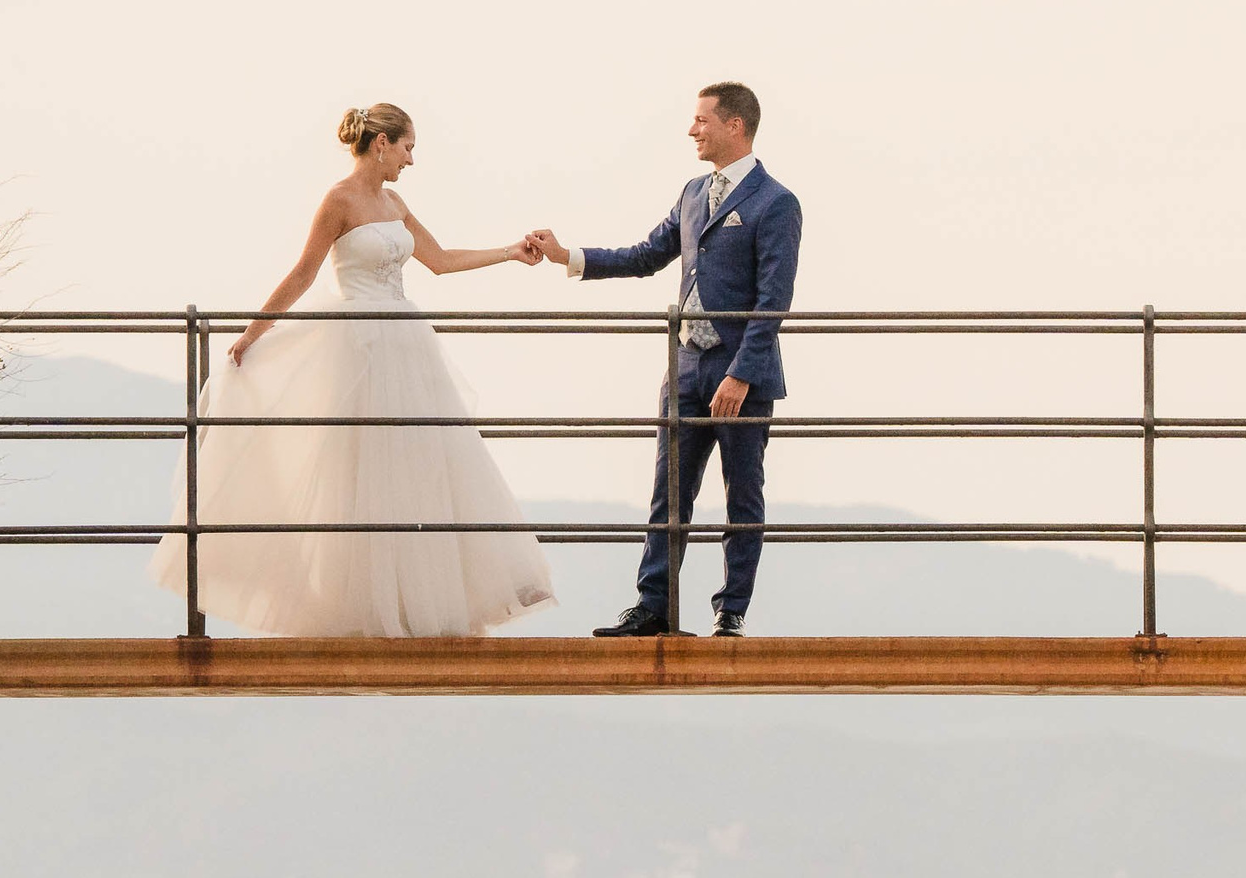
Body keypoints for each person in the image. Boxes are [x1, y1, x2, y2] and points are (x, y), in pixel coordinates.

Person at [149, 103, 555, 636]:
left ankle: (416, 604)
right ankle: (357, 608)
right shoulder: (338, 201)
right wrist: (254, 332)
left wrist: (510, 251)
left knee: (419, 467)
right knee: (358, 475)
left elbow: (440, 260)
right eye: (408, 147)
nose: (412, 160)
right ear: (381, 143)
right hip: (356, 349)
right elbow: (302, 273)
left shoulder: (395, 201)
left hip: (406, 348)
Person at [528, 82, 801, 637]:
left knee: (741, 494)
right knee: (669, 494)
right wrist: (569, 256)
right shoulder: (694, 192)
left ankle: (731, 610)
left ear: (734, 126)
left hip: (741, 376)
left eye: (702, 120)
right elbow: (647, 255)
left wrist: (741, 375)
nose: (692, 130)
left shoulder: (776, 202)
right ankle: (654, 606)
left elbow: (773, 301)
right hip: (684, 371)